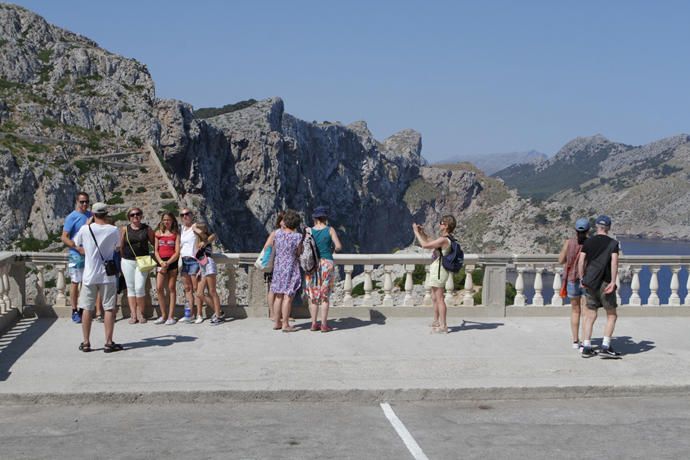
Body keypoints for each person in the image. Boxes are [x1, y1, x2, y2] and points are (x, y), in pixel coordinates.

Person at [72, 202, 122, 353]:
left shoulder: (85, 229)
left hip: (90, 275)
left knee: (87, 308)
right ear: (106, 214)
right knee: (108, 308)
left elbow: (76, 243)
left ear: (93, 214)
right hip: (107, 275)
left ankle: (86, 342)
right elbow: (117, 247)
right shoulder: (113, 230)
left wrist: (88, 224)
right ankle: (108, 342)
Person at [578, 215, 621, 358]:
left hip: (590, 282)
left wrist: (581, 278)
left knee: (590, 315)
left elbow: (581, 260)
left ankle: (586, 347)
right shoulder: (613, 243)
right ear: (608, 228)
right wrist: (613, 282)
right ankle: (605, 346)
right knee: (611, 315)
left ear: (597, 226)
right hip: (605, 283)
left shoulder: (588, 242)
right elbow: (614, 262)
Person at [60, 192, 103, 323]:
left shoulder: (91, 216)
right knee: (75, 282)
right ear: (77, 202)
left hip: (90, 255)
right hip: (76, 255)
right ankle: (74, 310)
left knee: (90, 282)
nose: (85, 204)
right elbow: (64, 237)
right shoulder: (72, 217)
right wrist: (77, 248)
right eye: (82, 202)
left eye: (87, 202)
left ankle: (88, 309)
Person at [412, 215, 457, 334]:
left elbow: (425, 245)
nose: (439, 224)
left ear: (446, 225)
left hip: (439, 271)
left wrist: (416, 232)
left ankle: (443, 326)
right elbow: (431, 241)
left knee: (440, 298)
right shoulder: (446, 238)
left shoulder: (444, 239)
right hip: (436, 270)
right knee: (434, 297)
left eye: (441, 223)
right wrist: (422, 233)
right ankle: (436, 321)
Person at [304, 206, 342, 332]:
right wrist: (332, 251)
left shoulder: (309, 231)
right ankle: (324, 325)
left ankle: (314, 324)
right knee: (324, 296)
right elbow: (338, 246)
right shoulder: (330, 230)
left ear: (314, 218)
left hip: (312, 265)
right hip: (327, 264)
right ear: (325, 218)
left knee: (313, 296)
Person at [558, 217, 590, 350]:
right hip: (587, 281)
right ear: (588, 230)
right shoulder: (590, 243)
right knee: (585, 313)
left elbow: (560, 260)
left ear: (575, 230)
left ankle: (575, 341)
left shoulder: (568, 243)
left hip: (571, 280)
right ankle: (584, 342)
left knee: (575, 311)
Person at [119, 207, 155, 324]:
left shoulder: (147, 229)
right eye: (132, 215)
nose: (135, 216)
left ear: (141, 216)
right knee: (130, 288)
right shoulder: (125, 229)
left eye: (138, 214)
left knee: (139, 287)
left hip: (143, 261)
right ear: (129, 217)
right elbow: (121, 246)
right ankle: (133, 314)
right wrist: (123, 258)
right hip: (128, 261)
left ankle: (141, 312)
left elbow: (154, 243)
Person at [270, 209, 302, 332]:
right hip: (291, 268)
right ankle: (285, 324)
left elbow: (270, 246)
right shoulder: (297, 237)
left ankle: (277, 322)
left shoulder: (277, 233)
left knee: (278, 296)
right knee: (287, 297)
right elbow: (299, 253)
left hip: (278, 268)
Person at [193, 223, 223, 325]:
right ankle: (218, 311)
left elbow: (212, 235)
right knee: (199, 293)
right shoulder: (200, 241)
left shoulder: (207, 239)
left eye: (203, 229)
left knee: (212, 291)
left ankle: (218, 316)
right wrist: (199, 271)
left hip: (209, 264)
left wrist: (195, 228)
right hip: (203, 267)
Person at [154, 212, 180, 325]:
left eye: (168, 219)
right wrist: (161, 262)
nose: (166, 222)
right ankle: (163, 315)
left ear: (173, 220)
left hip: (172, 262)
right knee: (159, 288)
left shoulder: (176, 234)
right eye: (164, 219)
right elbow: (155, 250)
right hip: (161, 262)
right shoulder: (158, 233)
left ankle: (171, 316)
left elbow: (177, 251)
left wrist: (168, 263)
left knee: (171, 288)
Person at [261, 211, 285, 321]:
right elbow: (266, 246)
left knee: (284, 291)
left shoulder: (290, 233)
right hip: (274, 265)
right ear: (280, 221)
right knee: (273, 290)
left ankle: (281, 314)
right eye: (284, 219)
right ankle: (272, 314)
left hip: (284, 265)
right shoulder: (275, 233)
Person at [178, 208, 200, 323]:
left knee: (196, 288)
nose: (184, 216)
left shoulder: (196, 226)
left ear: (192, 215)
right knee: (187, 288)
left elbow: (210, 236)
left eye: (187, 214)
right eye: (182, 215)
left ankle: (199, 314)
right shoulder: (181, 229)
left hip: (193, 260)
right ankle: (190, 314)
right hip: (183, 260)